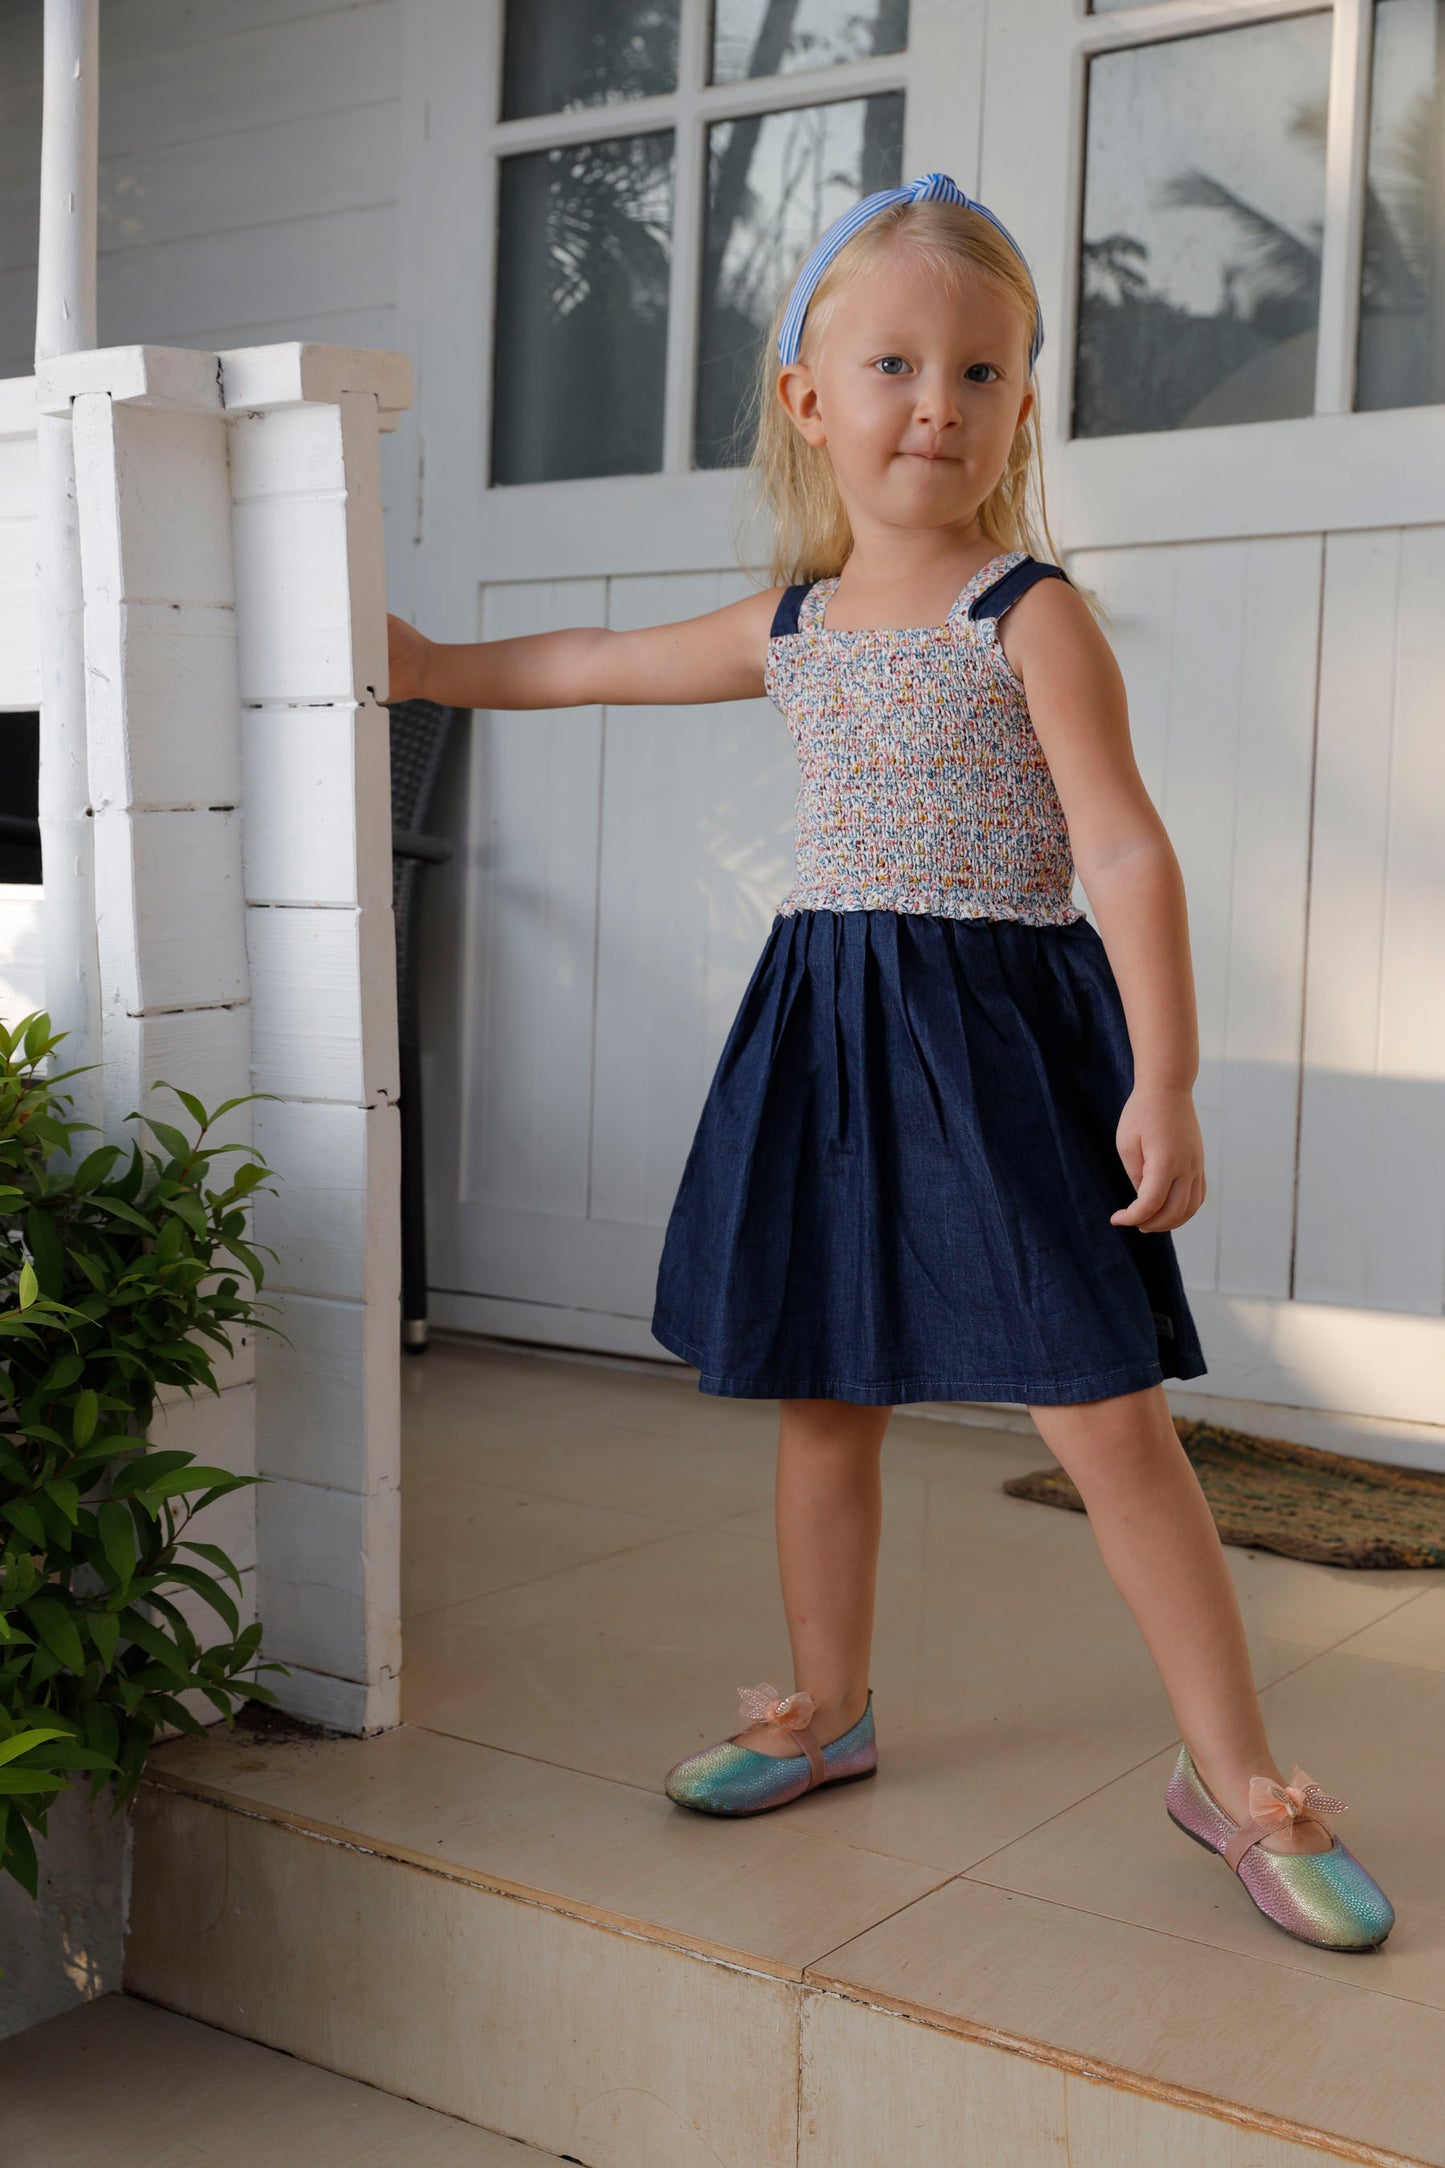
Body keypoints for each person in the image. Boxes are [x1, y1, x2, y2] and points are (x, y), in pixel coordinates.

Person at [386, 172, 1394, 1954]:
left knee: (1103, 1413)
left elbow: (1128, 849)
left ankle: (1234, 1777)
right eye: (895, 364)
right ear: (807, 398)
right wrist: (424, 665)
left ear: (1021, 404)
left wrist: (1163, 1076)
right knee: (821, 1388)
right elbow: (602, 655)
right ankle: (825, 1708)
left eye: (983, 371)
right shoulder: (791, 626)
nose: (938, 402)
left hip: (1002, 1042)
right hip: (831, 1040)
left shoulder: (1028, 613)